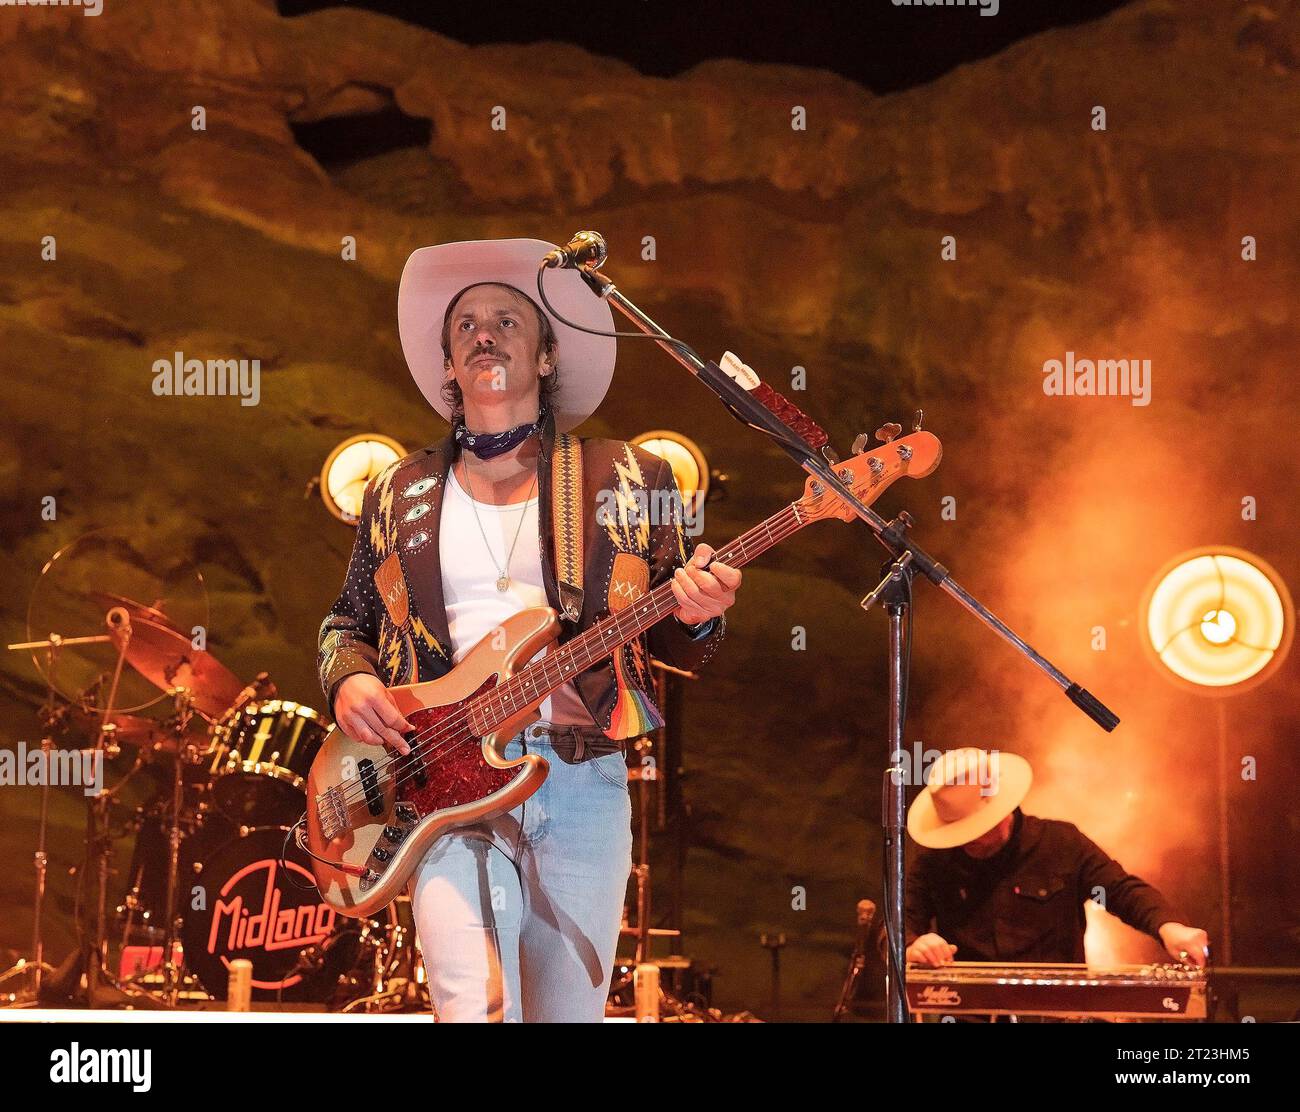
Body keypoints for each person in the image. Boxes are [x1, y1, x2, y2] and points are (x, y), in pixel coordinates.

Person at [317, 238, 740, 1021]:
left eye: (509, 321)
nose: (485, 334)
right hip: (442, 786)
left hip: (583, 781)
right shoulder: (397, 491)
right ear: (449, 365)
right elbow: (348, 623)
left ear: (546, 356)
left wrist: (700, 612)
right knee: (472, 1003)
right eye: (467, 325)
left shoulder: (630, 477)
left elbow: (679, 644)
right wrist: (350, 678)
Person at [904, 747, 1209, 970]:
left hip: (1058, 1017)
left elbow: (1119, 890)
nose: (965, 844)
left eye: (971, 832)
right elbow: (894, 923)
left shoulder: (1061, 842)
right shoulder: (935, 862)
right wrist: (912, 945)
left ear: (1000, 814)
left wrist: (1168, 926)